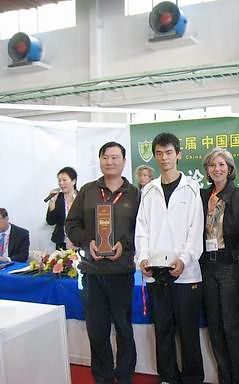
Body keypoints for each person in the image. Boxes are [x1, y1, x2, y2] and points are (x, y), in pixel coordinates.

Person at [66, 142, 139, 384]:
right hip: (93, 272)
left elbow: (142, 229)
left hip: (122, 272)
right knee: (97, 332)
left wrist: (124, 244)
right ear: (100, 160)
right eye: (105, 157)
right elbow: (71, 225)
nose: (110, 162)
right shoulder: (87, 191)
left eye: (115, 157)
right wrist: (88, 242)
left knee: (124, 329)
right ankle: (103, 378)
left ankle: (125, 376)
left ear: (124, 161)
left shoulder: (135, 194)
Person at [135, 133, 204, 384]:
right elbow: (141, 229)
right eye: (159, 153)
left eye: (169, 153)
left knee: (188, 332)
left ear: (179, 154)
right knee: (162, 330)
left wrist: (184, 259)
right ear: (154, 156)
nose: (164, 158)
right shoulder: (149, 190)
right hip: (155, 270)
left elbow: (195, 230)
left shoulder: (192, 188)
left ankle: (193, 379)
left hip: (185, 273)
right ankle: (167, 378)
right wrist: (141, 258)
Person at [200, 147, 239, 384]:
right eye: (212, 165)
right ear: (207, 170)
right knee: (215, 329)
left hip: (231, 266)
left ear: (230, 168)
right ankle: (226, 378)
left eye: (222, 164)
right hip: (207, 267)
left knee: (233, 328)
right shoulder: (202, 196)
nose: (217, 169)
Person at [46, 166, 78, 250]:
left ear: (73, 181)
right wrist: (52, 202)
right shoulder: (57, 198)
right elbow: (50, 221)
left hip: (79, 242)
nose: (61, 183)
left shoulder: (81, 196)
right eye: (59, 180)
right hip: (62, 242)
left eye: (64, 180)